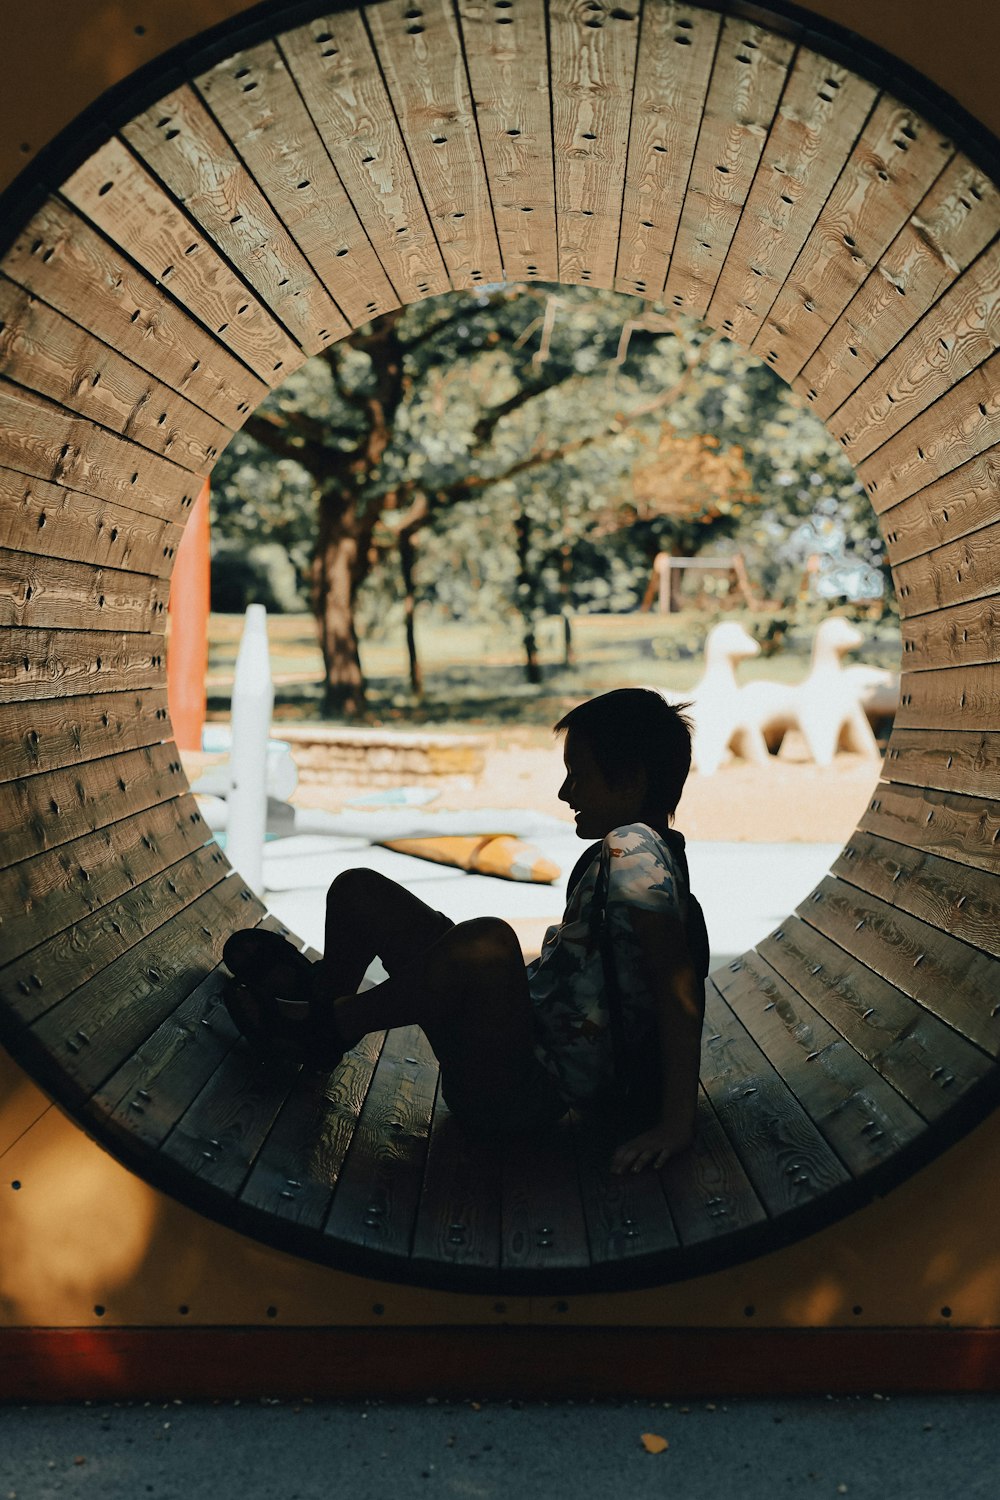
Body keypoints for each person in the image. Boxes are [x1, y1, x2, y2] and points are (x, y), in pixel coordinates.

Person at [222, 688, 709, 1174]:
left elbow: (677, 982)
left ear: (631, 782)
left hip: (522, 1095)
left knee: (489, 942)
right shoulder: (632, 853)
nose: (565, 793)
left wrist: (675, 1124)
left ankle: (322, 1025)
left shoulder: (634, 847)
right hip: (511, 1047)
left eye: (578, 777)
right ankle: (316, 1010)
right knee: (359, 891)